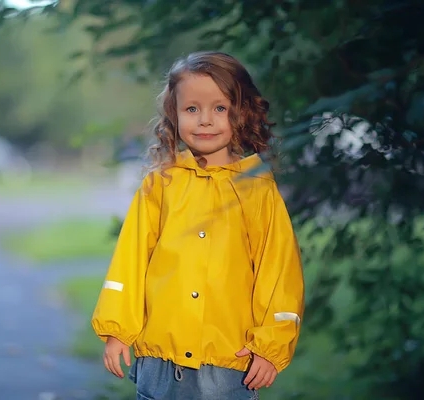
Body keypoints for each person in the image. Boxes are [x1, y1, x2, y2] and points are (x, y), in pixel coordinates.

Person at [91, 51, 304, 400]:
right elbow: (129, 261)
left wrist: (271, 345)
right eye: (192, 109)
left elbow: (279, 272)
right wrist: (118, 329)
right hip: (159, 361)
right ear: (174, 115)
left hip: (228, 365)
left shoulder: (258, 189)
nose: (205, 120)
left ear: (242, 113)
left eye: (219, 108)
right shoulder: (160, 184)